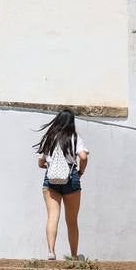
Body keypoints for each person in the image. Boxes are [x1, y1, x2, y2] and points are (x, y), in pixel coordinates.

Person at [34, 109, 89, 260]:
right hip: (71, 179)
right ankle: (73, 256)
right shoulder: (74, 137)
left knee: (52, 216)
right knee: (71, 221)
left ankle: (51, 252)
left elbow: (40, 162)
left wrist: (47, 165)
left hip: (51, 180)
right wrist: (80, 172)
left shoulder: (50, 137)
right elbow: (83, 157)